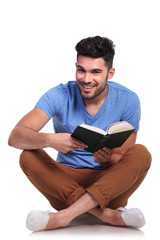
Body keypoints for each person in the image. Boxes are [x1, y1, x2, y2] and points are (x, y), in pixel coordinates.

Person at [8, 36, 151, 232]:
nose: (86, 79)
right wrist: (50, 140)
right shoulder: (60, 94)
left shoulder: (128, 100)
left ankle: (63, 217)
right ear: (75, 66)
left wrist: (107, 159)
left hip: (110, 186)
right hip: (65, 185)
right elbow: (15, 137)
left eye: (96, 72)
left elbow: (124, 157)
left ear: (111, 73)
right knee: (28, 155)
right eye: (81, 70)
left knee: (141, 153)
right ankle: (108, 215)